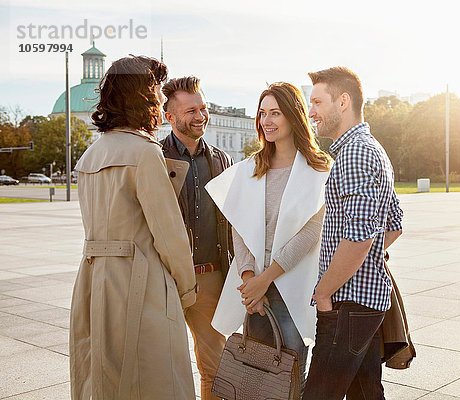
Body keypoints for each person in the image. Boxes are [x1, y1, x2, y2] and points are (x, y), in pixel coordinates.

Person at [70, 56, 196, 399]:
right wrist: (186, 290)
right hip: (141, 281)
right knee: (154, 379)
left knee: (102, 377)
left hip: (94, 281)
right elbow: (169, 235)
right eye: (155, 91)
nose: (158, 99)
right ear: (141, 96)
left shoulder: (90, 155)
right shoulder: (144, 153)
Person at [206, 82, 332, 394]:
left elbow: (310, 234)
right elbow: (238, 225)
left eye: (275, 113)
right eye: (263, 113)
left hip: (291, 288)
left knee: (287, 380)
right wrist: (250, 280)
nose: (267, 121)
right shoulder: (250, 168)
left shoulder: (319, 169)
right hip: (253, 292)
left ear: (294, 116)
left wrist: (267, 279)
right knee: (253, 379)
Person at [303, 66, 404, 400]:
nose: (311, 111)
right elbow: (394, 224)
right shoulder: (372, 147)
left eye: (317, 101)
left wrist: (324, 291)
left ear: (343, 101)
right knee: (366, 394)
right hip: (364, 302)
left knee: (318, 394)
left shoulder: (355, 153)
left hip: (347, 302)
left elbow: (360, 237)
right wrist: (371, 256)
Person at [161, 76, 233, 400]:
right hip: (165, 280)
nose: (200, 115)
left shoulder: (221, 160)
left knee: (215, 370)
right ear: (170, 116)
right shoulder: (153, 158)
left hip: (211, 278)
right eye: (191, 110)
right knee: (161, 368)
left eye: (202, 108)